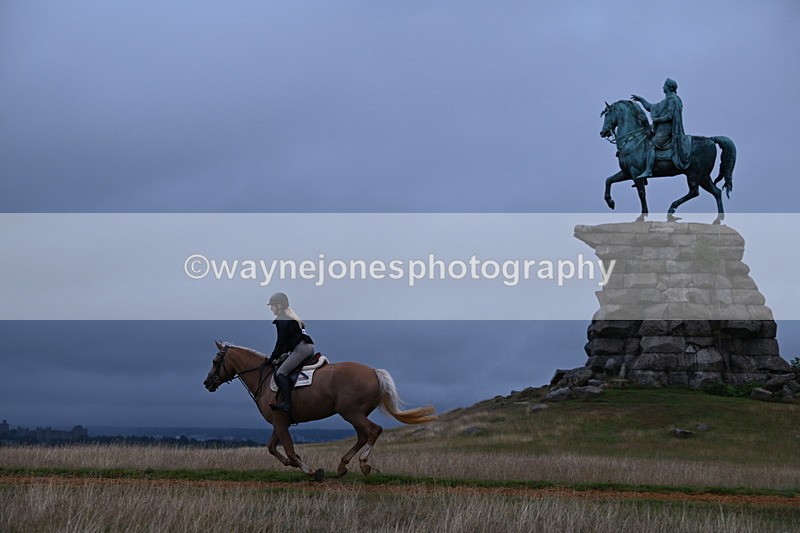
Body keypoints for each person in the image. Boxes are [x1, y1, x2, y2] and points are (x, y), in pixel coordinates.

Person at [631, 78, 690, 179]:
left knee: (651, 144)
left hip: (667, 132)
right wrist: (641, 100)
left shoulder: (673, 99)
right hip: (660, 130)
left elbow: (670, 115)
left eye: (664, 85)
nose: (662, 87)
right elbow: (651, 107)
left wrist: (658, 120)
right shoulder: (666, 101)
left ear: (668, 87)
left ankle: (648, 170)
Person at [267, 292, 314, 413]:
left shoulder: (282, 319)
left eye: (273, 306)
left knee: (281, 372)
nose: (271, 309)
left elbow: (281, 343)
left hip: (301, 349)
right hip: (308, 347)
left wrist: (271, 359)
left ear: (280, 306)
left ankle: (287, 404)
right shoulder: (291, 317)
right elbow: (287, 343)